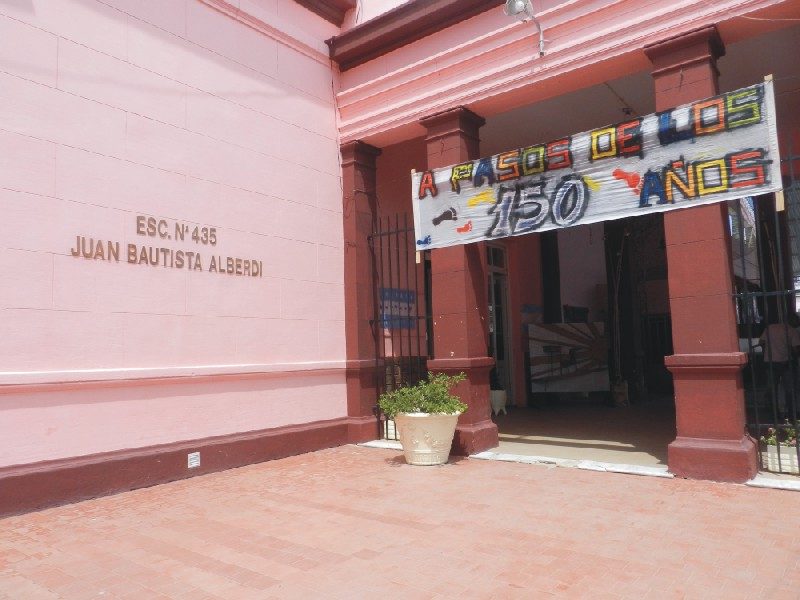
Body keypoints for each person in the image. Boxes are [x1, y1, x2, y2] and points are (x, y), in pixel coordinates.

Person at [759, 316, 800, 418]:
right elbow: (796, 349)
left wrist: (767, 351)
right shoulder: (792, 331)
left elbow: (761, 342)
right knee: (789, 389)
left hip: (770, 362)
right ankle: (791, 413)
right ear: (793, 321)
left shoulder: (770, 328)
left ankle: (773, 412)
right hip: (786, 363)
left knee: (772, 388)